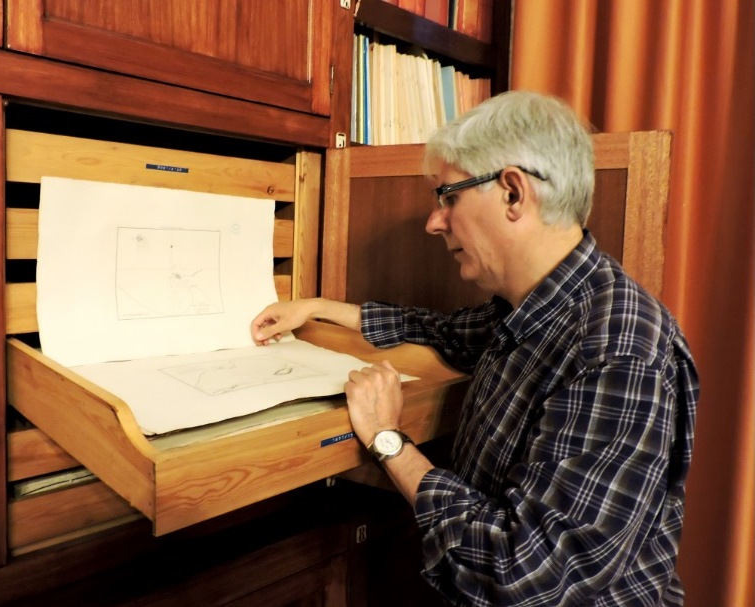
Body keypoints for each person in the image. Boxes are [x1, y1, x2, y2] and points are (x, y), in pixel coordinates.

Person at [250, 90, 699, 606]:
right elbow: (446, 332)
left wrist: (389, 441)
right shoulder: (541, 303)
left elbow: (522, 574)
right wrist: (319, 308)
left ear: (513, 193)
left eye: (448, 197)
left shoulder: (618, 349)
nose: (434, 221)